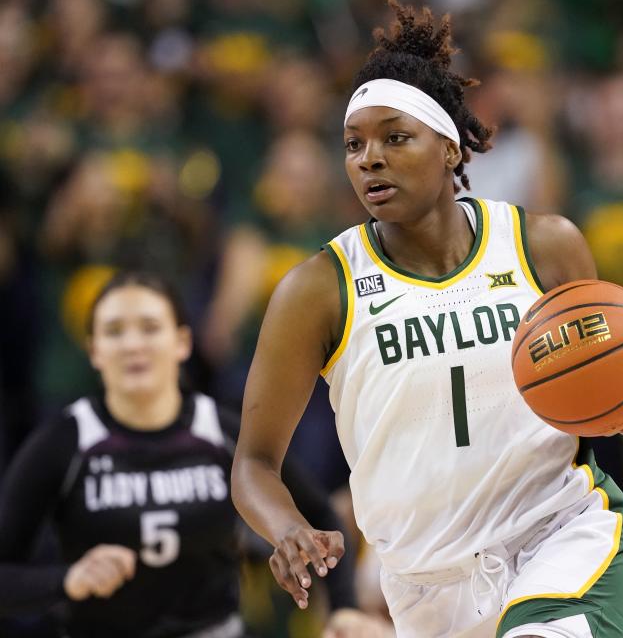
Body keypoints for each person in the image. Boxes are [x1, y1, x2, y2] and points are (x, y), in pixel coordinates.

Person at [231, 1, 623, 637]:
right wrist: (288, 529)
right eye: (354, 144)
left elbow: (604, 365)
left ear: (448, 146)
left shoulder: (541, 245)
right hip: (423, 584)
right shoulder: (318, 289)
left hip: (560, 538)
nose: (369, 158)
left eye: (395, 137)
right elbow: (253, 464)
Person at [0, 270, 361, 637]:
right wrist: (66, 580)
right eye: (114, 331)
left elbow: (317, 511)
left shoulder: (220, 430)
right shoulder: (63, 441)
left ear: (183, 342)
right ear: (93, 350)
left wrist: (344, 609)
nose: (133, 344)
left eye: (150, 327)